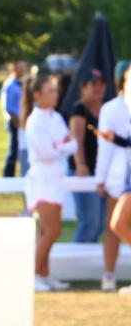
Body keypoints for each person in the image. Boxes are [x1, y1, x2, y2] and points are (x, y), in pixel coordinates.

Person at [23, 73, 76, 292]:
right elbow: (46, 152)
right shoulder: (35, 120)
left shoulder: (55, 117)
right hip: (42, 179)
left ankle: (44, 273)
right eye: (50, 91)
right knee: (51, 231)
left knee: (51, 230)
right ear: (37, 95)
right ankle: (33, 274)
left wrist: (60, 146)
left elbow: (71, 144)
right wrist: (61, 146)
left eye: (55, 90)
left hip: (55, 177)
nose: (55, 95)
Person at [94, 60, 131, 293]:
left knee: (117, 225)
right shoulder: (112, 108)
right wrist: (101, 177)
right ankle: (109, 274)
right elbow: (106, 147)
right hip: (120, 177)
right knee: (114, 226)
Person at [68, 67, 106, 243]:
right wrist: (81, 164)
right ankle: (75, 261)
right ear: (83, 87)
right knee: (90, 221)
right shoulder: (80, 110)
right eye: (93, 84)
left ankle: (86, 260)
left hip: (101, 173)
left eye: (101, 84)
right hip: (83, 172)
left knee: (101, 223)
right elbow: (77, 141)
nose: (98, 88)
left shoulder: (105, 110)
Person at [1, 60, 28, 177]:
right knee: (14, 149)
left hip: (20, 120)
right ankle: (8, 175)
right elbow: (10, 107)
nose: (23, 70)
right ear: (14, 69)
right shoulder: (11, 84)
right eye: (20, 68)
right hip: (15, 121)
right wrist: (16, 122)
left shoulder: (19, 83)